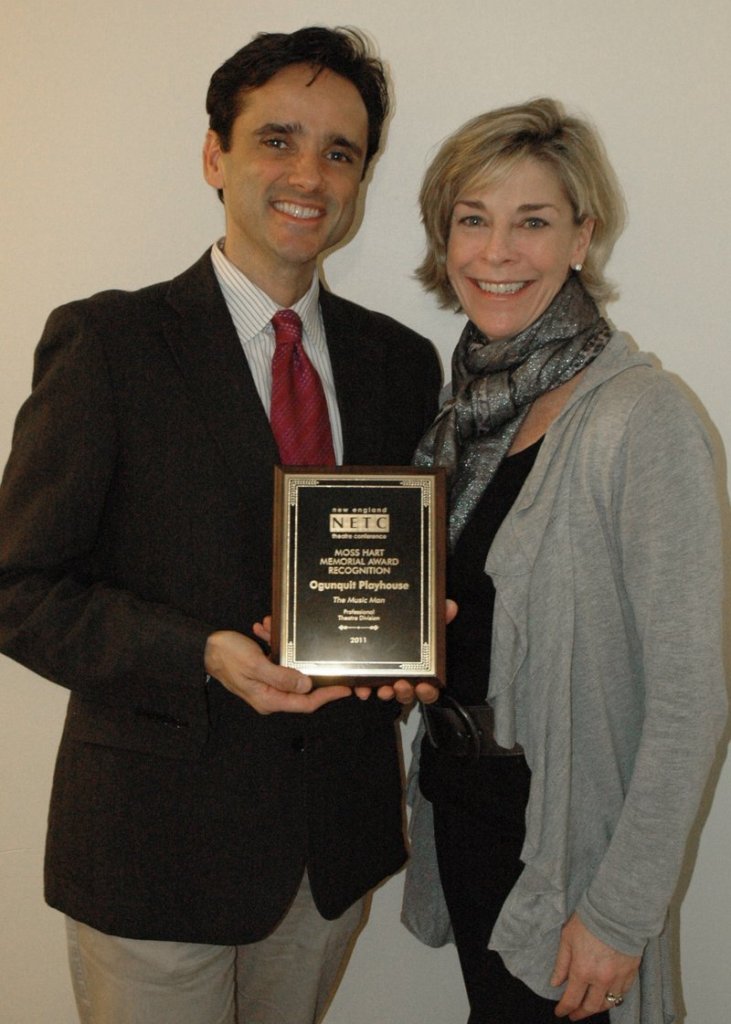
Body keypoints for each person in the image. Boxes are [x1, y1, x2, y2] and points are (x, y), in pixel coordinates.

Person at [0, 26, 441, 1024]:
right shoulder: (109, 344)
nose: (310, 176)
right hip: (153, 846)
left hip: (327, 844)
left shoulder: (399, 362)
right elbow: (20, 589)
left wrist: (419, 638)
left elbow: (387, 570)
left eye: (340, 152)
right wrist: (198, 652)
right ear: (215, 155)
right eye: (276, 140)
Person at [399, 98, 727, 1024]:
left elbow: (689, 698)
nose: (495, 252)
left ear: (582, 237)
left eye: (531, 222)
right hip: (467, 819)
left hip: (566, 845)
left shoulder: (642, 418)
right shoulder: (460, 419)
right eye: (472, 219)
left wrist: (621, 912)